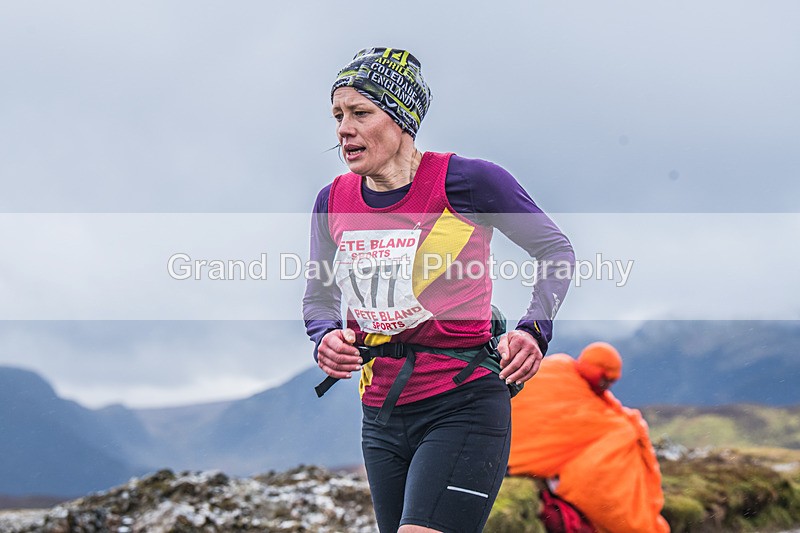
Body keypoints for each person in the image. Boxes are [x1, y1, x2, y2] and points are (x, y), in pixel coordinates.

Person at [303, 47, 574, 533]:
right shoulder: (332, 201)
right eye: (338, 116)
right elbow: (320, 295)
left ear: (402, 118)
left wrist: (535, 330)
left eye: (361, 113)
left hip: (463, 401)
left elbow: (555, 252)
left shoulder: (468, 182)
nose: (344, 129)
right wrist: (323, 336)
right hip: (381, 414)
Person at [508, 342, 670, 533]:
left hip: (501, 454)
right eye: (605, 381)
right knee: (623, 437)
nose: (607, 387)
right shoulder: (573, 393)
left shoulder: (556, 366)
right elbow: (577, 426)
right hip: (514, 460)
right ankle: (630, 520)